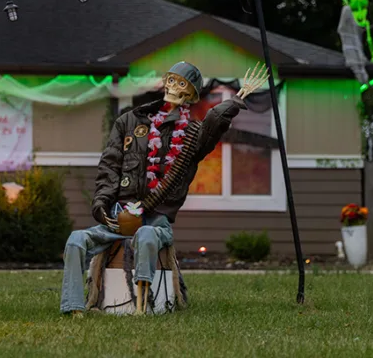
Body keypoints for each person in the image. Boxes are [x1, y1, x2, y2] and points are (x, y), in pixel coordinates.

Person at [60, 61, 269, 315]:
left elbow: (214, 122)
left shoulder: (193, 134)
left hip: (156, 220)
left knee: (147, 236)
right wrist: (101, 206)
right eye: (171, 80)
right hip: (119, 216)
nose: (174, 88)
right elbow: (109, 167)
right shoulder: (129, 121)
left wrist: (236, 99)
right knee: (76, 240)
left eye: (182, 85)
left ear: (190, 95)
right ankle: (74, 308)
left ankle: (142, 308)